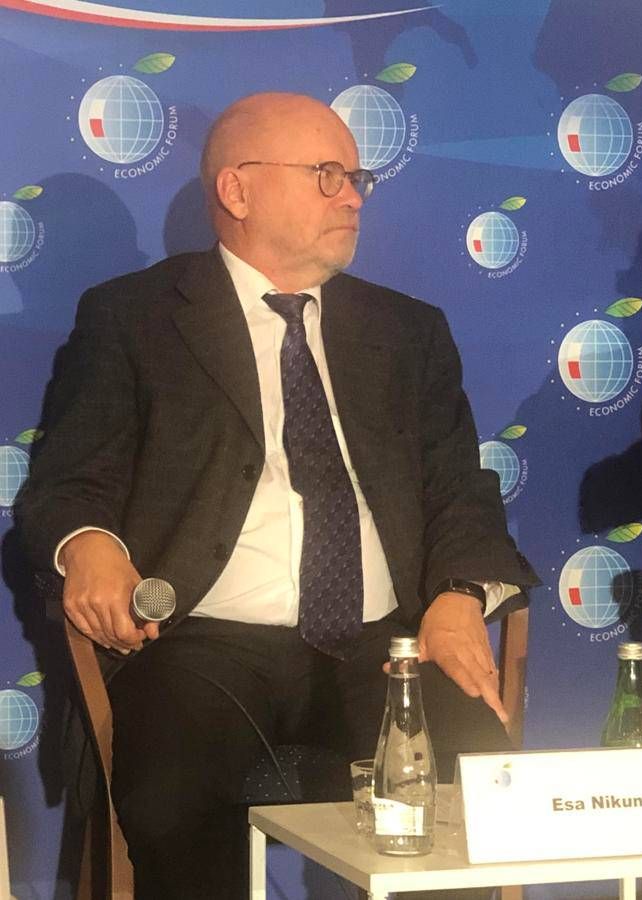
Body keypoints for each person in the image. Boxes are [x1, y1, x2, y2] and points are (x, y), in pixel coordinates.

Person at [16, 92, 536, 899]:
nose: (353, 196)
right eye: (327, 175)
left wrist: (459, 595)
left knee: (477, 783)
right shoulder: (135, 318)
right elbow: (68, 483)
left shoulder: (407, 331)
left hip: (386, 642)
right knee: (175, 793)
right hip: (204, 644)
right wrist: (89, 547)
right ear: (238, 190)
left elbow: (461, 489)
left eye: (357, 177)